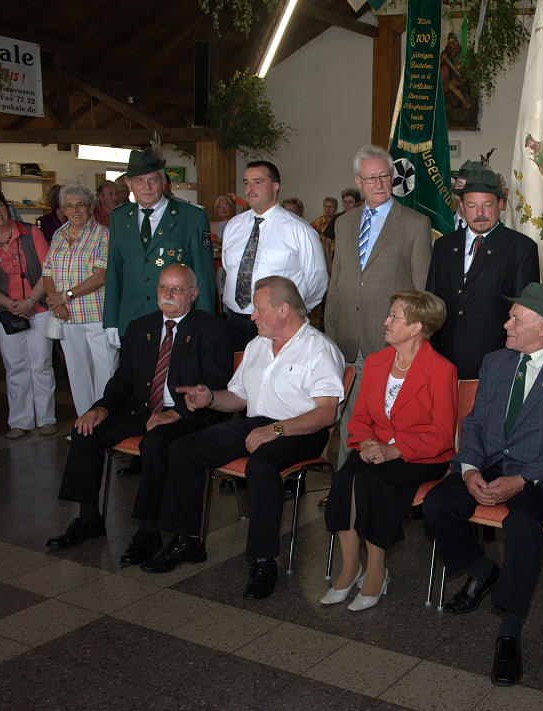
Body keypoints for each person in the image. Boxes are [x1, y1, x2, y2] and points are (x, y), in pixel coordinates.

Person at [422, 282, 543, 687]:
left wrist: (520, 480)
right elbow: (475, 423)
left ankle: (509, 632)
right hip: (490, 463)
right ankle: (483, 569)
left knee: (521, 522)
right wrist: (470, 470)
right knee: (437, 504)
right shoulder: (496, 362)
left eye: (515, 318)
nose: (506, 324)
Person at [144, 276, 346, 599]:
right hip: (257, 423)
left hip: (301, 429)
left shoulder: (319, 349)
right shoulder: (257, 346)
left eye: (259, 309)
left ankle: (263, 560)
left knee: (261, 465)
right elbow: (238, 398)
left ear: (283, 310)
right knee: (184, 449)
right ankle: (188, 541)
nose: (252, 316)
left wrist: (276, 430)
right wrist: (210, 398)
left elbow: (326, 414)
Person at [45, 265, 230, 563]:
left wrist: (177, 413)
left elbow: (215, 383)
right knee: (85, 430)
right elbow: (123, 379)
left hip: (192, 414)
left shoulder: (211, 329)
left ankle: (149, 531)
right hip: (145, 408)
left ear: (194, 293)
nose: (168, 295)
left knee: (155, 442)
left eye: (177, 289)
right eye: (163, 288)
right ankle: (88, 519)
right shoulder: (141, 327)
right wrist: (101, 407)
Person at [322, 290, 457, 611]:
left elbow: (442, 436)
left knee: (374, 482)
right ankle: (349, 568)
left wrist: (395, 451)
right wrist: (366, 442)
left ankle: (376, 572)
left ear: (416, 327)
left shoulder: (441, 369)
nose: (386, 321)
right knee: (345, 479)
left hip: (423, 455)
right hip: (375, 447)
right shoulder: (377, 361)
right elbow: (359, 419)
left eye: (394, 317)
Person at [324, 145, 432, 464]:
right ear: (358, 181)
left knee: (384, 425)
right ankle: (346, 484)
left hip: (390, 344)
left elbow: (422, 291)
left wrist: (414, 344)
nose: (379, 184)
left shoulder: (415, 224)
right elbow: (337, 282)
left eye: (384, 176)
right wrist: (330, 334)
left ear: (393, 176)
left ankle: (369, 484)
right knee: (348, 423)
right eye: (371, 178)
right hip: (346, 341)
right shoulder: (344, 223)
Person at [426, 168, 539, 379]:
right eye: (472, 206)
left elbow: (523, 313)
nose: (480, 213)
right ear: (461, 207)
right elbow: (431, 303)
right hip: (444, 361)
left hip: (495, 363)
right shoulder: (443, 246)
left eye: (487, 205)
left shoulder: (521, 248)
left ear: (500, 205)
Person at [103, 149, 215, 342]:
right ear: (129, 185)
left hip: (177, 321)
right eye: (139, 180)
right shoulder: (119, 218)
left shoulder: (191, 217)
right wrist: (111, 320)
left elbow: (203, 276)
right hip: (132, 319)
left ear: (163, 182)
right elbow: (114, 271)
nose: (146, 187)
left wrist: (204, 325)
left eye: (153, 180)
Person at [221, 161, 328, 353]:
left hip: (279, 324)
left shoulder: (299, 230)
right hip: (235, 321)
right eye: (246, 183)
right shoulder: (234, 226)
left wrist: (293, 313)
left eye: (257, 182)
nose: (250, 189)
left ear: (275, 186)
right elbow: (229, 268)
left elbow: (317, 279)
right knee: (237, 371)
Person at [0, 185, 56, 439]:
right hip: (3, 311)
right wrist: (11, 304)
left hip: (37, 307)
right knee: (15, 367)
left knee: (41, 363)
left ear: (7, 208)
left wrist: (29, 301)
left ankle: (46, 418)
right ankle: (20, 421)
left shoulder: (30, 232)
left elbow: (48, 270)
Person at [41, 183, 117, 416]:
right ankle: (84, 422)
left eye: (80, 205)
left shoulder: (103, 234)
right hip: (67, 316)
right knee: (77, 373)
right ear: (63, 209)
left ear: (91, 207)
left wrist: (66, 296)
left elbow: (101, 276)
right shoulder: (59, 234)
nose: (75, 210)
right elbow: (48, 271)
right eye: (69, 206)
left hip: (96, 315)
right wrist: (55, 302)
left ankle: (104, 423)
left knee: (105, 372)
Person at [312, 196, 339, 269]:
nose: (328, 209)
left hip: (336, 257)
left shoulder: (339, 221)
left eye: (330, 207)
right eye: (325, 206)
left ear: (335, 209)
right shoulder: (317, 222)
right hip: (321, 257)